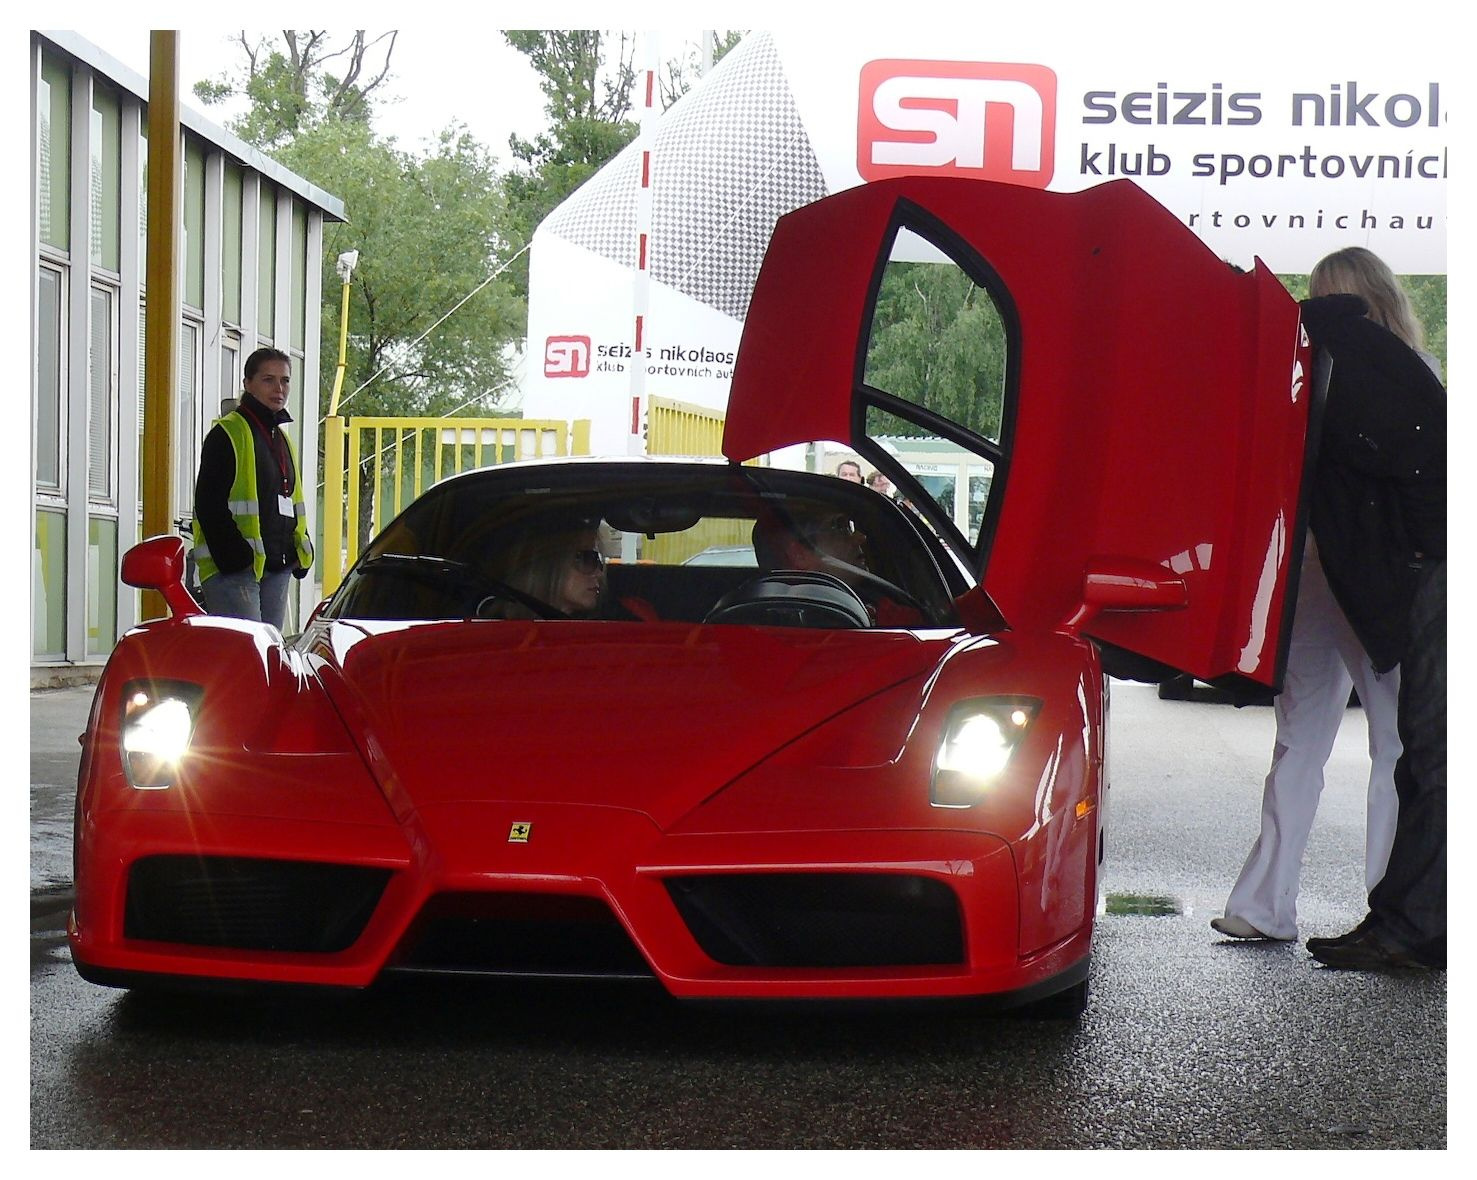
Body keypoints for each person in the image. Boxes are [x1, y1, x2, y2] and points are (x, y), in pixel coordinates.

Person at [1212, 249, 1440, 947]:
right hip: (1369, 577)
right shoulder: (1415, 376)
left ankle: (1266, 903)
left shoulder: (1309, 371)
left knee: (1308, 740)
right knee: (1394, 742)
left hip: (1318, 569)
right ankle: (1391, 907)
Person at [1294, 250, 1446, 971]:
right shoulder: (1411, 376)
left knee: (1421, 754)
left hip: (1405, 575)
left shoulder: (1345, 371)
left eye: (1328, 303)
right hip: (1407, 573)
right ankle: (1398, 914)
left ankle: (1405, 923)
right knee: (1412, 752)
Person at [191, 347, 313, 631]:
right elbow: (209, 504)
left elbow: (291, 501)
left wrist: (301, 550)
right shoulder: (228, 433)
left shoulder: (281, 438)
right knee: (247, 659)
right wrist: (237, 558)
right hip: (235, 571)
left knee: (268, 660)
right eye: (268, 380)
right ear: (248, 384)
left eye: (285, 380)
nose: (278, 388)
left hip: (277, 566)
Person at [485, 525, 607, 619]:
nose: (599, 574)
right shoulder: (491, 634)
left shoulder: (600, 632)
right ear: (550, 564)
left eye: (599, 561)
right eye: (587, 559)